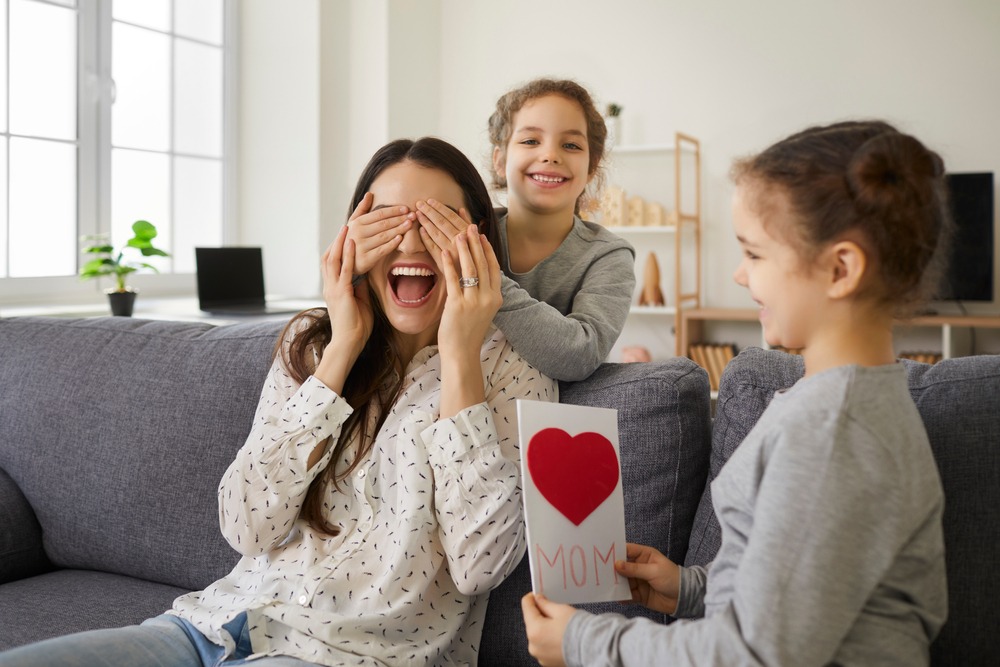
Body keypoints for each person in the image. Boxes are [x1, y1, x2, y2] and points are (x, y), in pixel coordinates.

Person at [0, 137, 557, 667]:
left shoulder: (516, 367)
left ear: (478, 238)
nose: (409, 243)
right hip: (209, 628)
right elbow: (246, 528)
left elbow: (480, 565)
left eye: (434, 221)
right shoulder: (311, 345)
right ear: (352, 236)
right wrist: (341, 349)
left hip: (346, 654)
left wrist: (460, 354)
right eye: (387, 221)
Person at [520, 120, 952, 666]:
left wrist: (582, 642)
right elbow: (800, 589)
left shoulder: (832, 434)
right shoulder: (832, 406)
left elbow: (752, 654)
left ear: (840, 268)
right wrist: (688, 586)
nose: (740, 275)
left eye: (755, 254)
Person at [361, 78, 636, 382]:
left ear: (592, 167)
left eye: (570, 145)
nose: (550, 155)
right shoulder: (467, 227)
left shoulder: (609, 256)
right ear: (499, 159)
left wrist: (479, 271)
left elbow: (579, 356)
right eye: (531, 141)